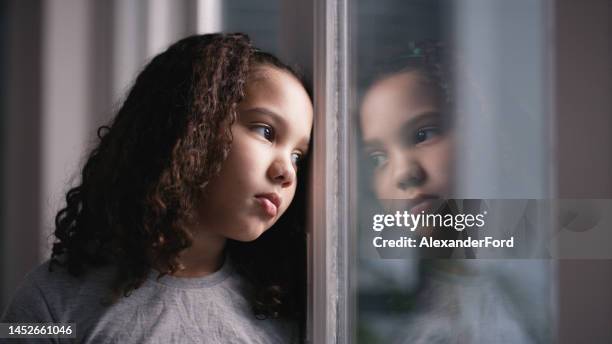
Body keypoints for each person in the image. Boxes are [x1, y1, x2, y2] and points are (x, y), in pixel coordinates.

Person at [1, 33, 313, 343]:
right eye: (265, 131)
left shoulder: (281, 312)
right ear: (190, 126)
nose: (287, 171)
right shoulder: (49, 301)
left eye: (298, 156)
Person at [357, 41, 542, 343]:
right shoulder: (398, 312)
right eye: (378, 158)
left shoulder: (537, 292)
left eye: (424, 134)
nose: (403, 173)